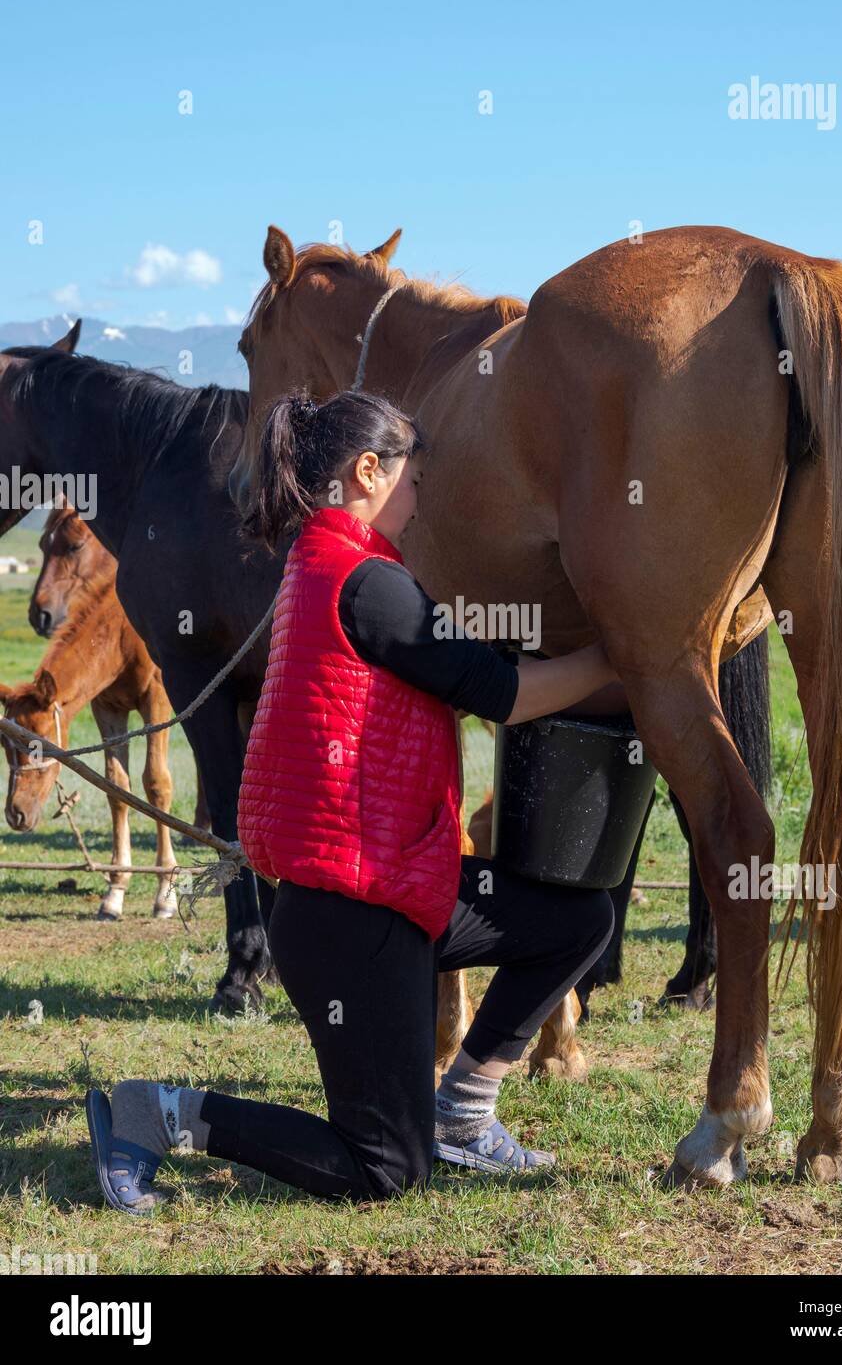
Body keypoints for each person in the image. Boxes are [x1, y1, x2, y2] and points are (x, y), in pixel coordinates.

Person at [86, 389, 619, 1214]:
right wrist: (619, 661)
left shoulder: (323, 564)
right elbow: (499, 693)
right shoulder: (368, 583)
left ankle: (466, 1113)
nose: (419, 493)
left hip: (390, 883)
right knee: (384, 1173)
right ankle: (159, 1114)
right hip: (349, 918)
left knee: (575, 923)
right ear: (367, 471)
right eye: (410, 476)